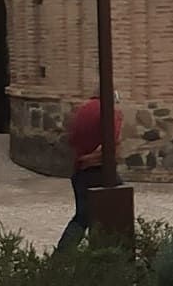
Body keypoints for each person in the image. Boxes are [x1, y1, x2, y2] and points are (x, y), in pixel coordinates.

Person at [56, 89, 123, 251]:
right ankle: (110, 255)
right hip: (98, 171)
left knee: (83, 216)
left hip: (80, 172)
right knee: (118, 211)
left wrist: (83, 158)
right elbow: (110, 144)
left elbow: (72, 140)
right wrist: (90, 159)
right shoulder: (109, 113)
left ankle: (62, 257)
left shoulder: (82, 109)